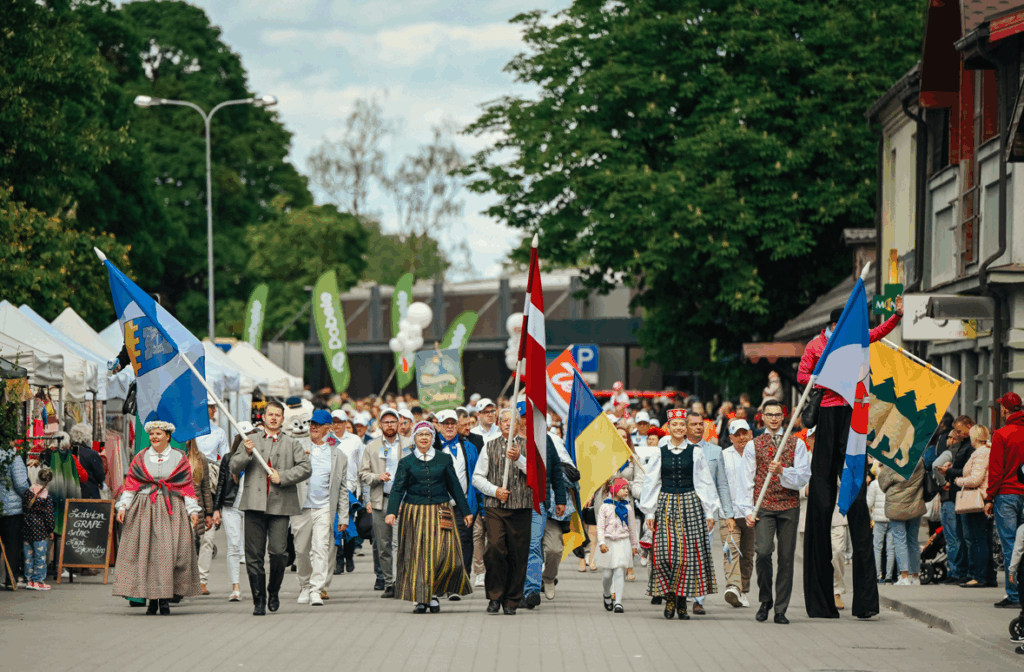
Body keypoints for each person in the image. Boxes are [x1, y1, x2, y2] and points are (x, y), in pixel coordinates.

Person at [800, 298, 903, 619]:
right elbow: (803, 376)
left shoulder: (855, 341)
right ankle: (822, 600)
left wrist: (897, 316)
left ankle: (865, 603)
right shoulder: (816, 346)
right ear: (832, 326)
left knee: (857, 495)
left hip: (852, 413)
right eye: (839, 326)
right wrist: (825, 378)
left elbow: (876, 334)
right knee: (822, 489)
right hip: (827, 414)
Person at [640, 409, 723, 620]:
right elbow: (652, 482)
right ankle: (670, 596)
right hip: (666, 504)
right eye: (674, 424)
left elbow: (703, 481)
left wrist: (709, 511)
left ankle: (682, 600)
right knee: (665, 555)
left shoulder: (695, 452)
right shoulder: (660, 452)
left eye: (681, 424)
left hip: (690, 504)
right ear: (669, 427)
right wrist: (649, 513)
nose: (678, 428)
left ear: (686, 427)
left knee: (686, 557)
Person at [230, 401, 312, 616]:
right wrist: (246, 453)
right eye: (270, 414)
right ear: (264, 417)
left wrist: (283, 476)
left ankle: (273, 590)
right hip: (253, 506)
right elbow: (233, 466)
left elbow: (305, 468)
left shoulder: (292, 443)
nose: (274, 418)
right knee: (253, 556)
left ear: (283, 419)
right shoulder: (251, 441)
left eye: (278, 415)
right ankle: (259, 599)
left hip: (280, 506)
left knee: (278, 552)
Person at [114, 420, 202, 615]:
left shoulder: (179, 457)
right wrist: (123, 506)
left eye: (158, 434)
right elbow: (131, 485)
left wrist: (193, 510)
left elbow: (186, 486)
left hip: (172, 509)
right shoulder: (141, 457)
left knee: (169, 555)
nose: (154, 437)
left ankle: (165, 599)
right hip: (145, 508)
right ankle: (152, 600)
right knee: (147, 556)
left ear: (168, 436)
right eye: (152, 434)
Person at [735, 400, 811, 625]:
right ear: (763, 417)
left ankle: (780, 609)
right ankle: (765, 599)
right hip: (764, 506)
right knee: (763, 553)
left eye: (777, 414)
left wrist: (783, 471)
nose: (774, 419)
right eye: (770, 415)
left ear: (783, 417)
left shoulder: (797, 443)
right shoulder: (754, 445)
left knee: (786, 559)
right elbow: (746, 479)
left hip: (789, 506)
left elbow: (803, 477)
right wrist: (747, 510)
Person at [385, 421, 473, 613]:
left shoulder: (444, 459)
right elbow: (398, 488)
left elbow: (455, 486)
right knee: (418, 555)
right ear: (414, 438)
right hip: (414, 512)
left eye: (427, 434)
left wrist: (466, 511)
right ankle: (422, 598)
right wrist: (392, 511)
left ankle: (434, 592)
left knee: (444, 554)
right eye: (420, 434)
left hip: (441, 510)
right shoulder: (406, 462)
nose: (424, 437)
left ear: (433, 438)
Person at [472, 407, 534, 615]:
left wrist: (519, 459)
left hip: (521, 507)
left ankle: (512, 600)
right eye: (504, 420)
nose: (508, 423)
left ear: (519, 424)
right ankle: (494, 597)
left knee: (518, 553)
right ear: (498, 424)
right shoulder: (489, 446)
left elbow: (536, 475)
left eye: (512, 420)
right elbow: (477, 477)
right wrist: (495, 490)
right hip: (495, 507)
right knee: (495, 548)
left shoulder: (529, 446)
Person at [292, 410, 349, 607]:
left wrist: (343, 516)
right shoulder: (298, 447)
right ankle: (304, 586)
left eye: (318, 424)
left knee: (321, 548)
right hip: (301, 507)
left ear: (328, 428)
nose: (313, 427)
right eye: (312, 424)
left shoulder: (338, 455)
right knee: (301, 550)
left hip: (324, 507)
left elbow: (342, 488)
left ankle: (316, 589)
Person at [360, 407, 413, 597]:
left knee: (400, 543)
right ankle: (389, 582)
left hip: (403, 501)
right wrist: (378, 477)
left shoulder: (409, 444)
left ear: (399, 424)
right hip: (380, 500)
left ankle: (400, 581)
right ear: (380, 425)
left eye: (393, 422)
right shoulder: (371, 446)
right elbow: (363, 474)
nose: (389, 425)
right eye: (386, 422)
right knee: (383, 545)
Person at [520, 402, 568, 608]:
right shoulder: (507, 441)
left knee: (534, 546)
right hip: (512, 503)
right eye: (523, 417)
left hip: (538, 501)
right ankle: (516, 588)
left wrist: (561, 499)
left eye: (529, 417)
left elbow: (556, 470)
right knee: (517, 548)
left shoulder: (545, 440)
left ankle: (531, 590)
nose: (526, 421)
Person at [434, 409, 482, 595]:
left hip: (464, 505)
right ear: (438, 426)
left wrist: (479, 505)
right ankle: (440, 584)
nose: (449, 427)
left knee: (464, 543)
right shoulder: (431, 447)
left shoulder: (469, 447)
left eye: (452, 423)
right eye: (445, 423)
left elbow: (476, 476)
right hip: (439, 505)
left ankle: (459, 583)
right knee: (441, 545)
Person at [987, 393, 1024, 609]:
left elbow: (996, 470)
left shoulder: (1001, 434)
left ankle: (1014, 594)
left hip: (1007, 494)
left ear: (1005, 410)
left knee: (1010, 544)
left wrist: (989, 497)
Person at [213, 421, 256, 602]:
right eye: (245, 435)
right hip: (231, 506)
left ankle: (256, 586)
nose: (249, 439)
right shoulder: (228, 458)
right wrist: (216, 509)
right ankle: (235, 587)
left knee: (253, 548)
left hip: (252, 507)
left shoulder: (258, 458)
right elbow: (221, 484)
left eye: (252, 435)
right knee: (233, 545)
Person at [936, 415, 977, 585]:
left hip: (962, 495)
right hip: (957, 495)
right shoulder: (963, 446)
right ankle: (962, 571)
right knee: (961, 537)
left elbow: (968, 472)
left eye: (959, 432)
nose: (957, 435)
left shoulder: (968, 448)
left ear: (969, 427)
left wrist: (948, 476)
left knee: (962, 538)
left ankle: (963, 571)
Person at [721, 419, 756, 608]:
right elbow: (720, 484)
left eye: (745, 433)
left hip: (752, 513)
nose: (742, 437)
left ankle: (742, 590)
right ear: (731, 438)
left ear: (751, 434)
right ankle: (733, 587)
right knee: (731, 550)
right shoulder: (724, 456)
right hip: (729, 513)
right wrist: (725, 512)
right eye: (737, 434)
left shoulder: (757, 454)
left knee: (748, 555)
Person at [195, 398, 229, 592]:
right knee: (188, 537)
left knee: (207, 538)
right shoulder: (187, 431)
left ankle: (202, 579)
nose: (214, 410)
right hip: (189, 483)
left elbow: (225, 463)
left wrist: (219, 504)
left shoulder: (219, 433)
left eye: (214, 407)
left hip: (211, 484)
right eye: (210, 406)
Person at [878, 458, 926, 586]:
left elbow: (883, 482)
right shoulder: (919, 460)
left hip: (896, 505)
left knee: (899, 540)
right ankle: (915, 576)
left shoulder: (893, 459)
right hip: (915, 503)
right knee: (913, 541)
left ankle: (904, 576)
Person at [957, 425, 993, 588]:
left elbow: (976, 479)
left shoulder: (981, 453)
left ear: (975, 437)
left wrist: (958, 481)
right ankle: (985, 575)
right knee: (981, 540)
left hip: (978, 499)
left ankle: (979, 576)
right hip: (982, 498)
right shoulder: (985, 451)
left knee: (977, 540)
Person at [598, 477, 639, 613]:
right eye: (623, 488)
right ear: (614, 489)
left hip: (623, 542)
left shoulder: (628, 508)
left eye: (627, 489)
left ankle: (619, 603)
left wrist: (634, 545)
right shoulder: (604, 507)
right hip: (608, 543)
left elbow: (632, 527)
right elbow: (600, 527)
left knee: (620, 571)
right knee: (607, 575)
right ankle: (606, 593)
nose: (626, 491)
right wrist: (601, 542)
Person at [0, 443, 30, 590]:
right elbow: (20, 483)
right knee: (12, 544)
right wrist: (28, 496)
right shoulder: (12, 457)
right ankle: (10, 580)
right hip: (11, 507)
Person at [21, 467, 54, 591]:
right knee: (40, 556)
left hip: (27, 529)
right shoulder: (46, 496)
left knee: (28, 556)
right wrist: (50, 530)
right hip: (40, 530)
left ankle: (29, 580)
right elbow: (49, 516)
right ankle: (38, 581)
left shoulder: (27, 493)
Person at [185, 440, 215, 565]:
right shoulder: (171, 457)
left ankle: (200, 575)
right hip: (176, 508)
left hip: (197, 507)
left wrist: (209, 513)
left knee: (197, 543)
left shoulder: (199, 457)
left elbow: (205, 488)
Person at [866, 467, 895, 583]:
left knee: (877, 547)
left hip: (879, 519)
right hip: (892, 518)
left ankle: (878, 575)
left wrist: (869, 517)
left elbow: (868, 504)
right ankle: (889, 576)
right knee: (891, 549)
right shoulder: (894, 482)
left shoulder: (874, 484)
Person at [69, 423, 105, 499]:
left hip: (70, 496)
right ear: (87, 437)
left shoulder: (68, 453)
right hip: (89, 496)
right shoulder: (92, 454)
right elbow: (100, 477)